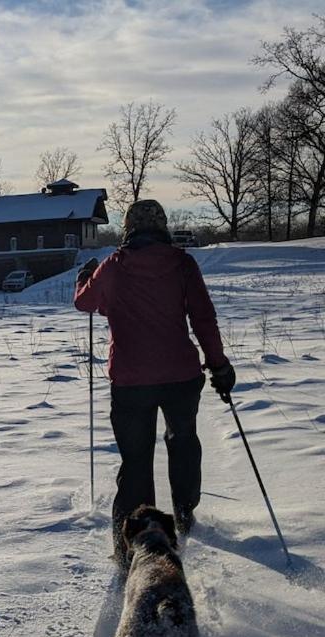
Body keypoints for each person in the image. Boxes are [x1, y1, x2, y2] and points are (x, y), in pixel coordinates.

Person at [74, 199, 235, 570]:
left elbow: (86, 303)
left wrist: (84, 278)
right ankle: (183, 513)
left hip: (131, 382)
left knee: (135, 461)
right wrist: (219, 365)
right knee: (183, 442)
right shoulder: (182, 264)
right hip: (181, 376)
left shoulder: (114, 265)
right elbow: (203, 318)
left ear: (129, 226)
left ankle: (127, 544)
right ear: (161, 226)